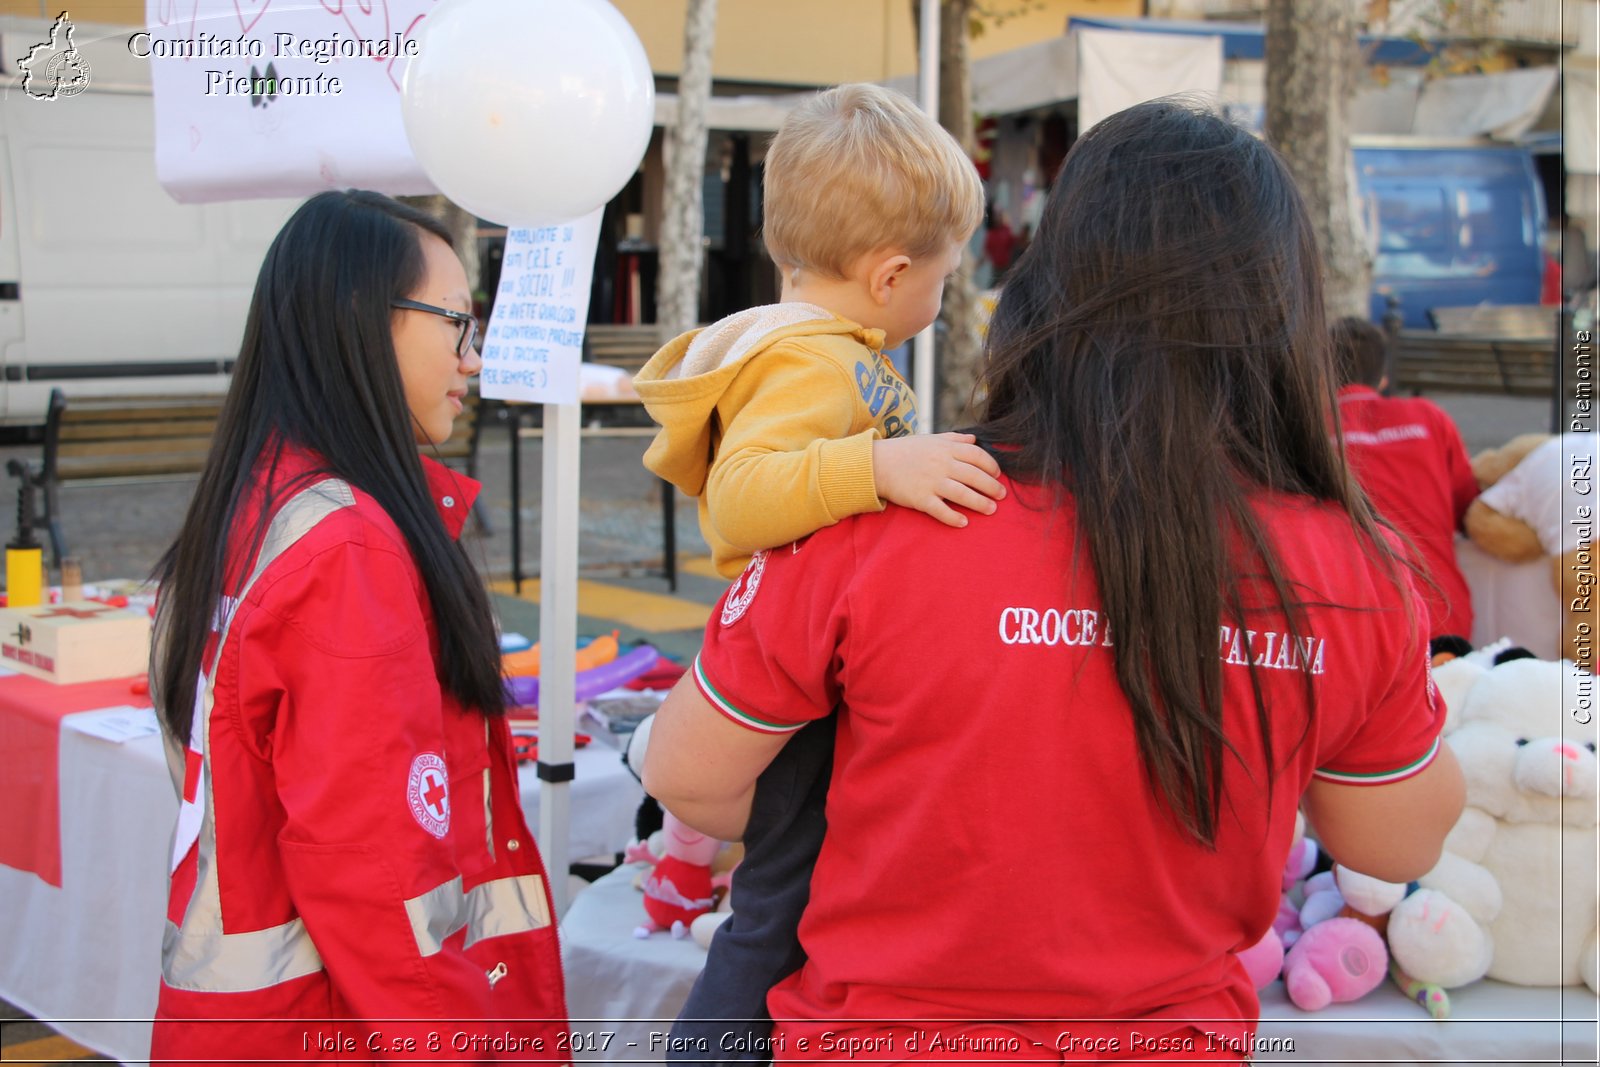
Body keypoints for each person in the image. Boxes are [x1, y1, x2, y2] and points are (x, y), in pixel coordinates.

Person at [644, 100, 1465, 1062]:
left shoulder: (884, 511)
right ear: (1284, 317)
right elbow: (1398, 844)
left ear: (1048, 288)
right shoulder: (1351, 566)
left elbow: (686, 777)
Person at [148, 191, 566, 1061]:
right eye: (455, 323)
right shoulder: (345, 547)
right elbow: (381, 878)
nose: (474, 358)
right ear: (361, 321)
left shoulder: (260, 500)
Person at [633, 83, 1003, 1060]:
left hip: (804, 656)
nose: (945, 289)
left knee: (800, 877)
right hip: (795, 675)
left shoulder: (833, 347)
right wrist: (878, 464)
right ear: (889, 274)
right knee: (783, 890)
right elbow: (744, 493)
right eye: (944, 272)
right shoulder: (811, 360)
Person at [1330, 316, 1479, 640]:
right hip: (1441, 615)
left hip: (1352, 625)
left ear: (1320, 375)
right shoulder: (1430, 418)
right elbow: (1471, 513)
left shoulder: (1308, 431)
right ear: (1383, 377)